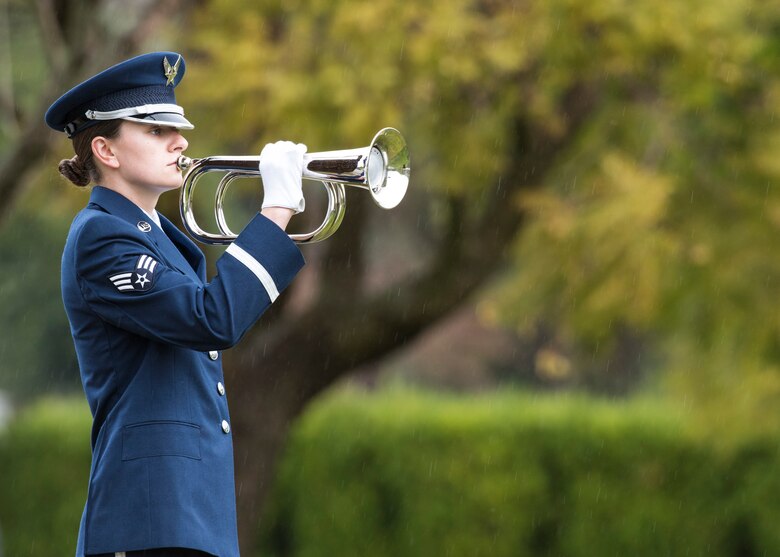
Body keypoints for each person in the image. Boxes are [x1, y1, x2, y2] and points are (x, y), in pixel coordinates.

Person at [44, 51, 306, 557]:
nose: (181, 141)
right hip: (148, 520)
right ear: (105, 149)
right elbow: (214, 318)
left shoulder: (156, 235)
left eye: (178, 129)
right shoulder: (102, 236)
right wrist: (275, 212)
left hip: (184, 519)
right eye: (156, 130)